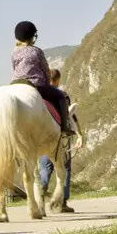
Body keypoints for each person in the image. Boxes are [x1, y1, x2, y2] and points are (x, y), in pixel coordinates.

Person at [12, 21, 73, 133]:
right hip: (35, 85)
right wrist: (47, 83)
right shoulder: (36, 51)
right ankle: (65, 127)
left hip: (16, 84)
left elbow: (14, 68)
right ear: (32, 37)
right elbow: (45, 70)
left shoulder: (14, 52)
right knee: (61, 97)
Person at [36, 67, 76, 211]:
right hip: (59, 140)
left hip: (41, 139)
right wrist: (80, 134)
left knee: (45, 169)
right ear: (58, 80)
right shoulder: (62, 94)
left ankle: (40, 200)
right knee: (65, 167)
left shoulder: (39, 98)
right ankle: (62, 203)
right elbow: (72, 116)